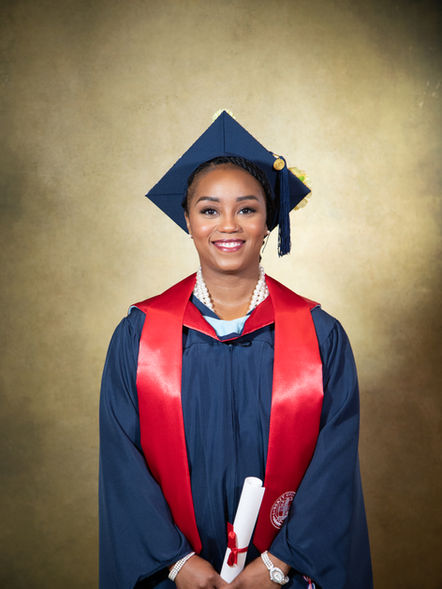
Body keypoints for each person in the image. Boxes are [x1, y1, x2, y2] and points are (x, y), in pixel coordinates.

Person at [99, 111, 373, 589]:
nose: (228, 225)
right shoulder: (139, 336)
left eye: (247, 209)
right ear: (187, 221)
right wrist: (178, 563)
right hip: (175, 574)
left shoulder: (319, 335)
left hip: (284, 574)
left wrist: (277, 564)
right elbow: (122, 461)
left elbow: (335, 464)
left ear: (269, 221)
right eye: (209, 210)